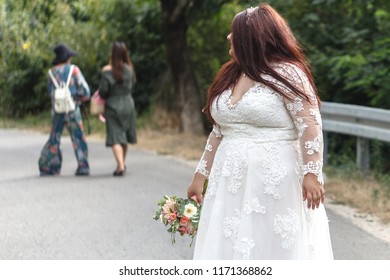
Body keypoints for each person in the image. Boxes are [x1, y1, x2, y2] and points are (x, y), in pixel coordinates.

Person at [187, 3, 333, 260]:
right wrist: (200, 175)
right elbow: (219, 131)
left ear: (253, 38)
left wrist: (312, 173)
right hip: (228, 180)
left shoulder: (288, 73)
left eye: (235, 32)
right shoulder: (231, 74)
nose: (229, 37)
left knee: (268, 244)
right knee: (229, 243)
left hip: (274, 180)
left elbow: (310, 124)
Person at [38, 43, 91, 176]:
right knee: (78, 137)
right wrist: (77, 98)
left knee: (55, 138)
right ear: (67, 57)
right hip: (72, 109)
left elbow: (51, 93)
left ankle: (51, 167)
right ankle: (83, 165)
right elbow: (86, 92)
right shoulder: (74, 70)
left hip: (57, 110)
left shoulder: (51, 73)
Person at [98, 42, 137, 177]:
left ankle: (120, 165)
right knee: (124, 137)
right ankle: (121, 164)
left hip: (113, 105)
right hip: (128, 104)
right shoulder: (129, 69)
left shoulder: (107, 71)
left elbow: (103, 92)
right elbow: (132, 86)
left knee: (115, 137)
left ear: (112, 54)